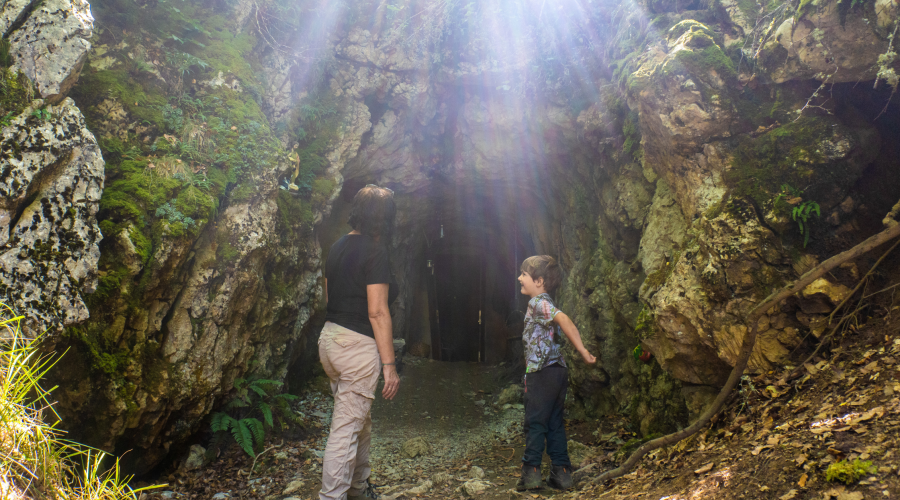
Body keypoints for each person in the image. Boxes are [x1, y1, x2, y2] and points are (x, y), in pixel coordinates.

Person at [318, 185, 400, 500]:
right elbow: (377, 312)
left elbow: (330, 297)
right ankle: (332, 496)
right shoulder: (376, 251)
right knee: (345, 430)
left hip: (330, 339)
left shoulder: (337, 246)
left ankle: (357, 488)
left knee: (359, 419)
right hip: (356, 347)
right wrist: (389, 365)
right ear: (385, 219)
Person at [515, 255, 597, 491]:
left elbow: (563, 319)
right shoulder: (546, 302)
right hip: (558, 371)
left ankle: (531, 474)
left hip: (541, 372)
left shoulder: (537, 303)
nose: (519, 278)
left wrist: (583, 350)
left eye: (524, 274)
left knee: (535, 422)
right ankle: (561, 474)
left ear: (539, 281)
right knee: (554, 423)